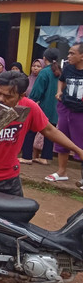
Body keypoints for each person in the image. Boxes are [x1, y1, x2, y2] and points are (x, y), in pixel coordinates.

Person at [45, 42, 83, 189]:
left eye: (72, 53)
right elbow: (61, 81)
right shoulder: (67, 69)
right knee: (62, 140)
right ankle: (61, 172)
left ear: (82, 56)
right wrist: (60, 91)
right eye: (68, 53)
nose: (68, 56)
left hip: (81, 112)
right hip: (66, 109)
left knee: (81, 143)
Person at [20, 49, 60, 165]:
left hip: (42, 107)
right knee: (49, 132)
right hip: (55, 108)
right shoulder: (59, 71)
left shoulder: (44, 72)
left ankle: (27, 156)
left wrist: (30, 101)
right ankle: (45, 157)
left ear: (44, 58)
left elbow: (37, 92)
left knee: (30, 130)